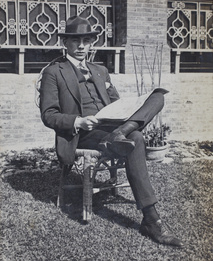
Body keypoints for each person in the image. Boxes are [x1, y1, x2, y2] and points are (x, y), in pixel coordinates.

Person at [39, 16, 183, 247]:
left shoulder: (100, 70)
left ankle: (120, 133)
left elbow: (115, 101)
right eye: (76, 41)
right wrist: (78, 121)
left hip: (112, 124)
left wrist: (130, 106)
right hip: (84, 133)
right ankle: (151, 219)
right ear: (65, 42)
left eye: (86, 40)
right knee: (135, 137)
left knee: (157, 96)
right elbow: (49, 114)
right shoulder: (54, 72)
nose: (82, 46)